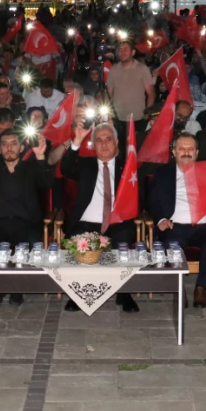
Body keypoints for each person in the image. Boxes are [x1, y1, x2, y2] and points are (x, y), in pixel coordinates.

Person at [60, 122, 139, 313]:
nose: (104, 145)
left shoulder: (128, 168)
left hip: (118, 221)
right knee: (79, 240)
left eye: (108, 139)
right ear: (93, 146)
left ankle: (123, 293)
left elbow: (139, 197)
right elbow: (66, 168)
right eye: (99, 141)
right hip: (87, 222)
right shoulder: (86, 166)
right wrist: (77, 141)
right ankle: (77, 293)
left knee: (124, 239)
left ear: (117, 143)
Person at [147, 132, 206, 308]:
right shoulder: (163, 173)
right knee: (170, 244)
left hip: (205, 225)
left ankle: (201, 287)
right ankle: (179, 288)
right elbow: (152, 200)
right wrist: (161, 219)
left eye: (191, 149)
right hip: (176, 225)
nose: (186, 153)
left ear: (197, 152)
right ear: (174, 152)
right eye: (182, 149)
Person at [0, 129, 53, 305]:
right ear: (0, 148)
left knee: (29, 242)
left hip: (25, 223)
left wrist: (41, 157)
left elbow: (48, 182)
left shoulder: (31, 167)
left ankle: (17, 288)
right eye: (4, 144)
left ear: (21, 147)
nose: (9, 148)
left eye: (13, 144)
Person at [106, 41, 155, 121]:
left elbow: (151, 93)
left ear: (133, 52)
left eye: (125, 49)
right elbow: (109, 93)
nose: (122, 52)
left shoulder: (142, 69)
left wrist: (147, 113)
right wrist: (108, 112)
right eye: (120, 49)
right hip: (117, 118)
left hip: (138, 118)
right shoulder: (114, 69)